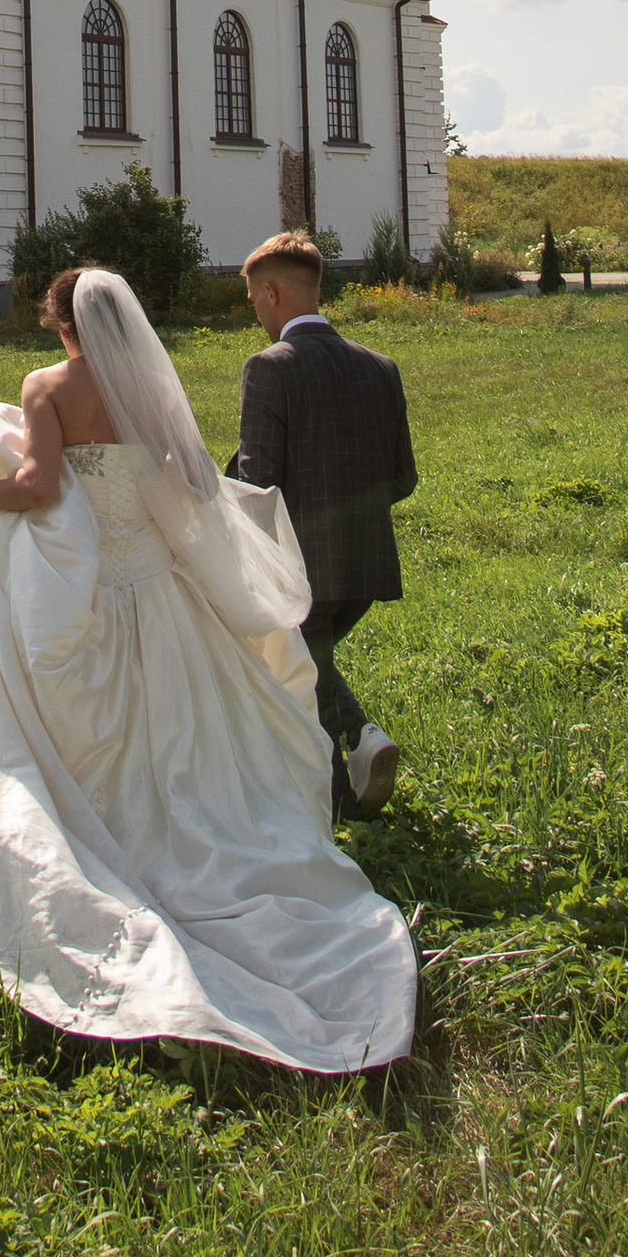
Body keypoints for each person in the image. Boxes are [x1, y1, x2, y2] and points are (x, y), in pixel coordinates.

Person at [0, 264, 417, 1074]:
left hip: (91, 588)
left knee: (86, 720)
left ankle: (108, 851)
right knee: (184, 728)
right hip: (159, 587)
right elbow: (195, 481)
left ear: (60, 322)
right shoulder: (150, 387)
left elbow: (37, 489)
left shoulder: (46, 387)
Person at [230, 229, 416, 818]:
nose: (255, 311)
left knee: (301, 670)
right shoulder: (380, 367)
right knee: (309, 665)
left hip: (300, 566)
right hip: (366, 563)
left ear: (274, 294)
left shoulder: (269, 368)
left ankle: (353, 757)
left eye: (254, 299)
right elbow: (403, 477)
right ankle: (348, 787)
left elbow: (259, 485)